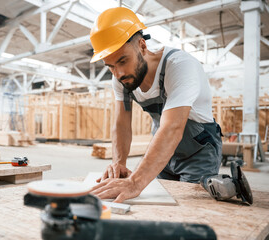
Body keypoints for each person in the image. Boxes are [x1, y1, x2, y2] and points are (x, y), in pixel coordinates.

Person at [89, 7, 222, 203]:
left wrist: (135, 182)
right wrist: (118, 163)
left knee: (189, 209)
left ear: (142, 46)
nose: (118, 73)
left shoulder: (179, 66)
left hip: (198, 153)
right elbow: (121, 124)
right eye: (110, 66)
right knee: (160, 205)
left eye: (123, 61)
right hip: (164, 153)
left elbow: (172, 127)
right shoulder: (121, 79)